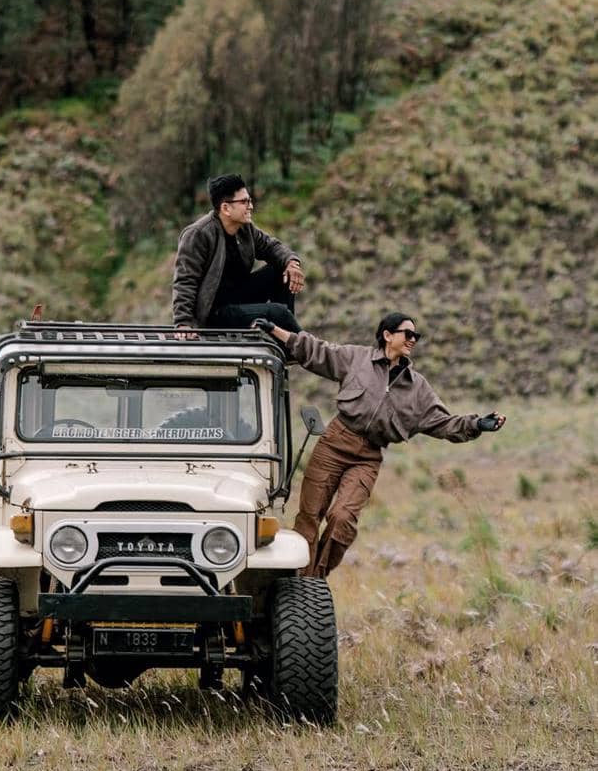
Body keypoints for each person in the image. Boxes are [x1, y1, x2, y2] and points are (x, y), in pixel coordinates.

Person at [252, 311, 506, 577]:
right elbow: (316, 350)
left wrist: (476, 424)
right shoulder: (356, 358)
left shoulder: (417, 387)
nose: (413, 340)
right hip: (334, 444)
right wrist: (274, 330)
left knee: (342, 519)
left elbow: (444, 422)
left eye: (416, 336)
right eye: (408, 334)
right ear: (387, 335)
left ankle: (314, 581)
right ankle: (299, 584)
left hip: (367, 457)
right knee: (309, 517)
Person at [172, 173, 305, 332]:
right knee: (278, 313)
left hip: (238, 299)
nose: (251, 206)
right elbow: (185, 280)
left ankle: (287, 342)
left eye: (249, 200)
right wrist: (183, 323)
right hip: (214, 312)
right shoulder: (199, 234)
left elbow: (271, 247)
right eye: (244, 202)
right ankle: (300, 347)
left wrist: (291, 263)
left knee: (281, 270)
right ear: (226, 208)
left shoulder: (245, 228)